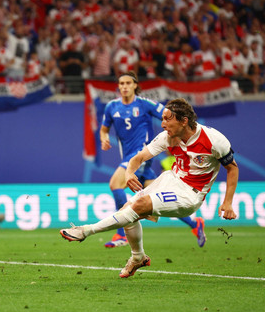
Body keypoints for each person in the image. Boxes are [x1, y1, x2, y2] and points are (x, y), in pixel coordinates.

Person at [61, 98, 238, 278]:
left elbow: (232, 168)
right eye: (162, 119)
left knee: (138, 206)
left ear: (184, 121)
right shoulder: (167, 137)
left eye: (168, 119)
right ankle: (138, 257)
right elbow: (138, 158)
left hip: (191, 194)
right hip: (170, 179)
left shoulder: (214, 140)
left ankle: (85, 231)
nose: (162, 124)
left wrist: (228, 203)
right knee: (126, 211)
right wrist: (129, 172)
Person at [100, 71, 206, 249]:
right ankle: (195, 225)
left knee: (115, 184)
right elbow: (104, 129)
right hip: (129, 157)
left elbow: (169, 114)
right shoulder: (111, 107)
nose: (124, 86)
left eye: (128, 83)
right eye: (121, 84)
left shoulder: (145, 104)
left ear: (135, 85)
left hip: (141, 154)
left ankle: (122, 233)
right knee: (156, 197)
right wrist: (104, 137)